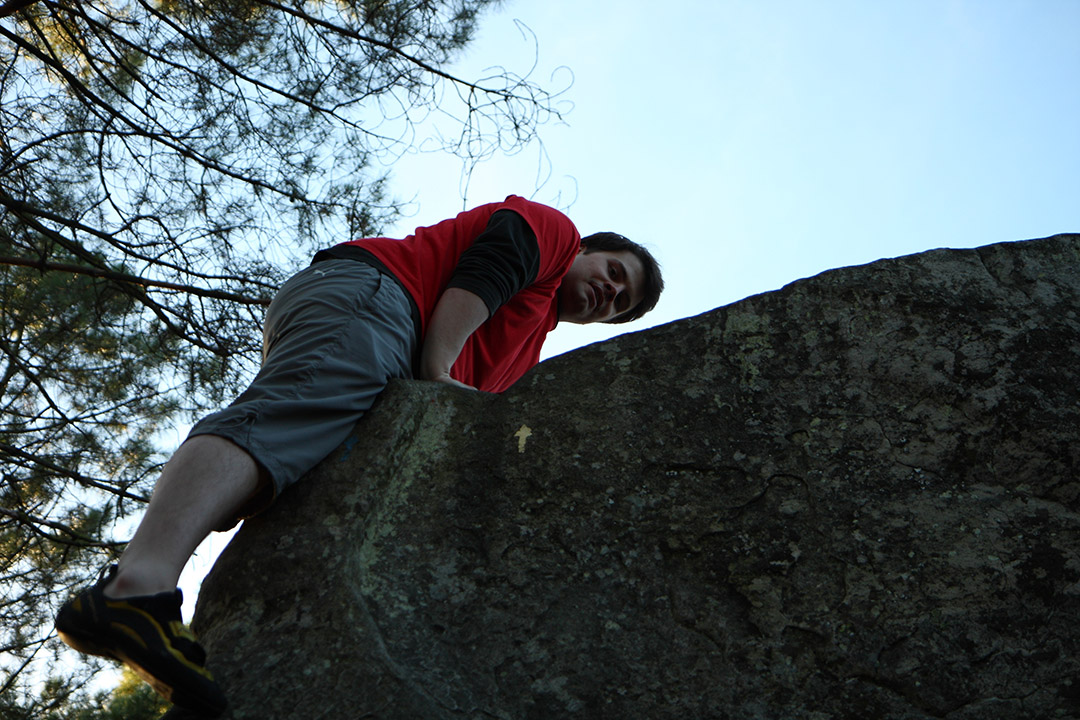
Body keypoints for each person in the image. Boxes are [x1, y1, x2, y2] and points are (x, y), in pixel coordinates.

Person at [54, 195, 664, 715]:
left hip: (382, 343)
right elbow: (494, 261)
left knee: (284, 461)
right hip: (380, 299)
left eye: (619, 302)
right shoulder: (553, 236)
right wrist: (437, 365)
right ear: (586, 249)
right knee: (283, 418)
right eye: (614, 271)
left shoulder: (524, 353)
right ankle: (135, 590)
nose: (610, 292)